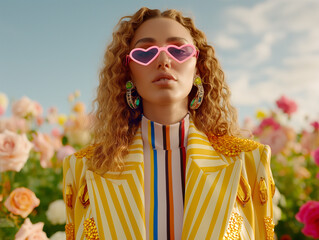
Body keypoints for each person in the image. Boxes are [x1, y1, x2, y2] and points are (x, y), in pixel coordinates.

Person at [63, 7, 275, 240]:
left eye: (179, 50)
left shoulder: (249, 161)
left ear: (198, 66)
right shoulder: (85, 168)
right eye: (145, 53)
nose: (164, 60)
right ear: (128, 73)